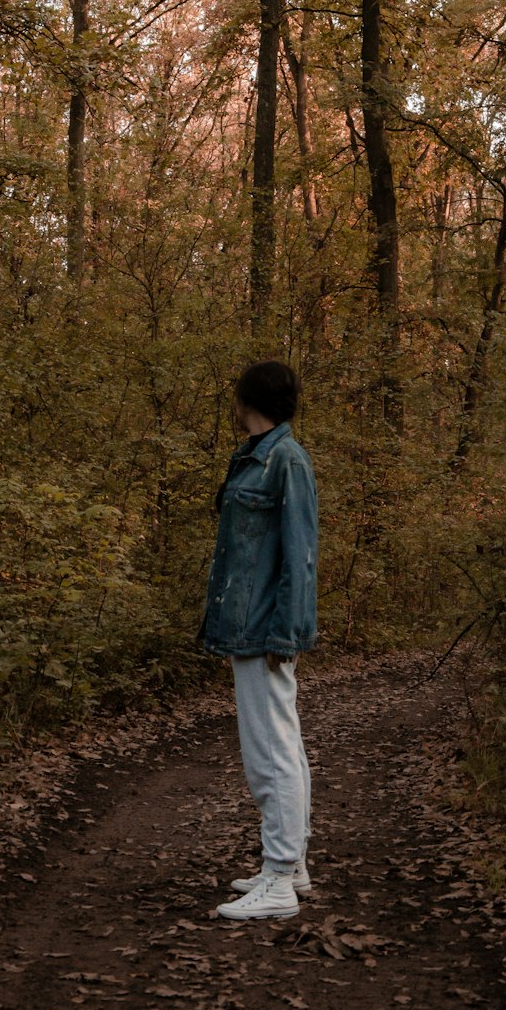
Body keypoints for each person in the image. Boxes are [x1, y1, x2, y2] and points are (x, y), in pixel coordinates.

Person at [200, 359, 317, 920]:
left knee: (270, 751)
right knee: (278, 745)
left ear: (246, 399)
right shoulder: (254, 456)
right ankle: (290, 867)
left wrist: (286, 632)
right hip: (248, 622)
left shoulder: (285, 461)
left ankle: (278, 879)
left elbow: (301, 554)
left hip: (265, 627)